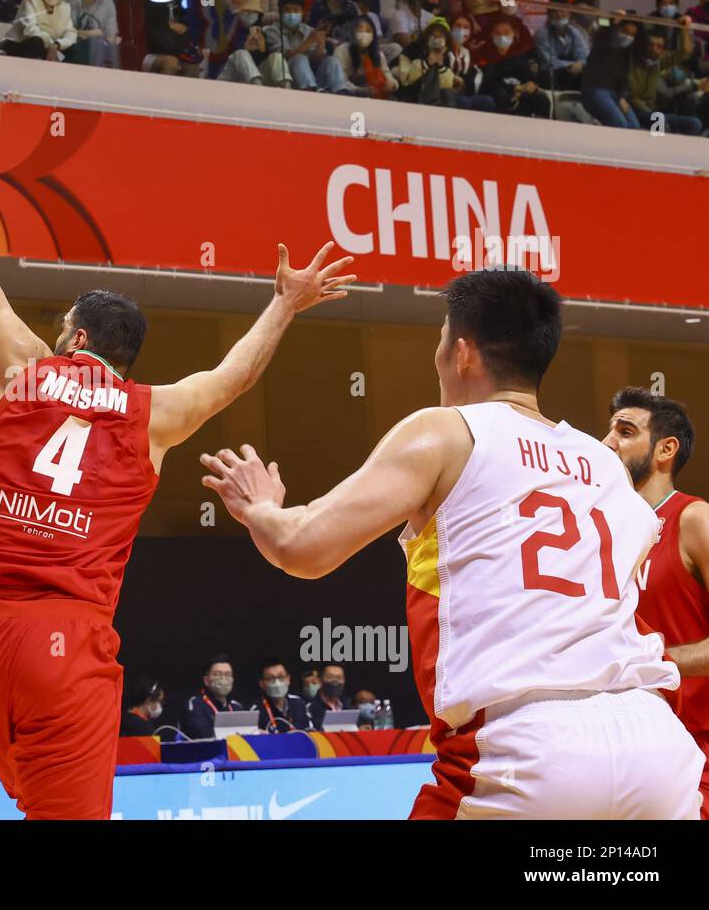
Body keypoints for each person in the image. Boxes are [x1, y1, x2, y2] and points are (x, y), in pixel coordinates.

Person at [0, 82, 355, 819]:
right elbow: (232, 378)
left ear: (75, 337)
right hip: (63, 646)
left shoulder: (20, 366)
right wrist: (283, 303)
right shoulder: (155, 412)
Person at [200, 267, 705, 819]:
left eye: (440, 340)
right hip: (655, 746)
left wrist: (262, 508)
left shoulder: (446, 431)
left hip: (527, 748)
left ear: (462, 353)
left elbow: (301, 547)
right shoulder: (606, 468)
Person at [604, 388, 709, 819]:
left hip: (698, 747)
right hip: (625, 750)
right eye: (609, 430)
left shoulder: (694, 518)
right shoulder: (606, 530)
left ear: (666, 449)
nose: (608, 442)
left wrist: (655, 658)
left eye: (625, 432)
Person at [628, 21, 704, 135]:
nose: (654, 49)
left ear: (662, 50)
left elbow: (685, 52)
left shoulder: (657, 62)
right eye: (650, 44)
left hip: (653, 113)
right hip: (634, 112)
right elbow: (633, 98)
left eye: (659, 47)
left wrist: (684, 28)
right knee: (660, 122)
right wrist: (651, 111)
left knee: (695, 123)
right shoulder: (630, 63)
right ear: (643, 44)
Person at [142, 0, 202, 77]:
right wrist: (170, 26)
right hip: (154, 54)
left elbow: (187, 28)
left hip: (179, 52)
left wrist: (173, 27)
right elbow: (158, 28)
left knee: (193, 66)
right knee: (171, 62)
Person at [479, 17, 550, 116]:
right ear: (491, 34)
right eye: (497, 33)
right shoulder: (485, 54)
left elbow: (528, 77)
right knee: (501, 95)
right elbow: (487, 83)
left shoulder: (520, 54)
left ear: (514, 34)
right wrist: (514, 88)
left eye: (506, 32)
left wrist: (529, 85)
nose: (502, 36)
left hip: (519, 93)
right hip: (497, 93)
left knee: (541, 97)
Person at [581, 15, 641, 128]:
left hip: (614, 94)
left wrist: (622, 97)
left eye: (632, 34)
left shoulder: (626, 55)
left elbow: (624, 80)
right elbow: (600, 21)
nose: (628, 36)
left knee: (635, 126)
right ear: (617, 29)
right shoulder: (602, 41)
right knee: (620, 123)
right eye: (625, 31)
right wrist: (613, 21)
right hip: (595, 89)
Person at [0, 0, 77, 60]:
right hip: (20, 44)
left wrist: (57, 45)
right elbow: (30, 29)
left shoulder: (65, 6)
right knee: (37, 42)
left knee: (72, 49)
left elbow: (70, 33)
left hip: (51, 47)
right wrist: (51, 45)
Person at [66, 0, 120, 68]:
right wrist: (91, 34)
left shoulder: (107, 2)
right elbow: (64, 31)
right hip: (71, 53)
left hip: (99, 56)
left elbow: (111, 36)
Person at [328, 17, 398, 97]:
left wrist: (392, 84)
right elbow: (340, 80)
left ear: (373, 35)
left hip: (371, 93)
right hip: (346, 94)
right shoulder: (341, 50)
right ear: (352, 33)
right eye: (359, 31)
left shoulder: (378, 54)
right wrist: (359, 91)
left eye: (368, 31)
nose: (364, 34)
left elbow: (386, 73)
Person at [182, 655, 245, 738]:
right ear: (206, 680)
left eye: (228, 674)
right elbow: (202, 735)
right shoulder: (195, 705)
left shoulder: (237, 707)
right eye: (217, 674)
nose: (223, 679)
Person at [535, 6, 589, 91]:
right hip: (551, 72)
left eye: (562, 11)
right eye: (555, 11)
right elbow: (550, 61)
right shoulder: (542, 33)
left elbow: (583, 55)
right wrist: (572, 65)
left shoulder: (574, 32)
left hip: (572, 70)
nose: (559, 15)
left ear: (569, 14)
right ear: (548, 15)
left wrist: (580, 64)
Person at [254, 661, 310, 732]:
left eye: (281, 677)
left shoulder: (299, 704)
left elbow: (311, 733)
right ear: (261, 684)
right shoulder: (257, 711)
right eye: (270, 678)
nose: (277, 683)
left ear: (288, 679)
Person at [307, 662, 349, 729]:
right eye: (330, 677)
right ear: (320, 680)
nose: (335, 681)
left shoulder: (349, 706)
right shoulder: (310, 708)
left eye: (339, 678)